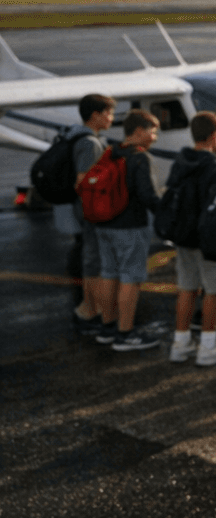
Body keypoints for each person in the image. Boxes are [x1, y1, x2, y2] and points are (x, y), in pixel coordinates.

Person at [165, 111, 216, 366]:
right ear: (215, 135)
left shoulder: (182, 160)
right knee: (213, 291)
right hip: (206, 238)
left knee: (187, 287)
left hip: (182, 234)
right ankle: (208, 344)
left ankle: (181, 342)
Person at [92, 109, 164, 351]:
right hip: (130, 225)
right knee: (130, 278)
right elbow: (147, 195)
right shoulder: (140, 157)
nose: (154, 137)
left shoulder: (110, 152)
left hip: (104, 222)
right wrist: (165, 208)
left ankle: (107, 328)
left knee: (108, 274)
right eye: (153, 132)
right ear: (140, 131)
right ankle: (125, 333)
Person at [60, 94, 113, 339]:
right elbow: (84, 180)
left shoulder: (74, 134)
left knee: (91, 256)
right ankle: (88, 311)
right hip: (90, 209)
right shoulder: (90, 143)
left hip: (83, 208)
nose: (112, 118)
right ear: (96, 115)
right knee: (94, 259)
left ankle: (91, 308)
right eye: (109, 113)